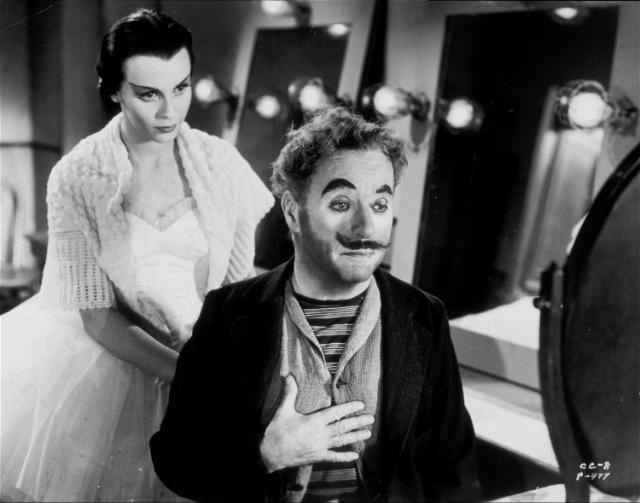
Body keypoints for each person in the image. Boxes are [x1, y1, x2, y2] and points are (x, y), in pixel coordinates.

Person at [0, 8, 273, 502]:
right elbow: (98, 317)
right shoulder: (76, 176)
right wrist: (187, 374)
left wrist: (221, 365)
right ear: (114, 91)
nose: (170, 111)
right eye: (149, 94)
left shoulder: (220, 162)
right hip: (113, 360)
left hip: (207, 351)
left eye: (181, 88)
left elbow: (239, 286)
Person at [150, 107, 480, 502]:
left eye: (379, 205)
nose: (365, 228)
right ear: (293, 212)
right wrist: (266, 453)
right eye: (341, 204)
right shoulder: (228, 312)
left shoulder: (424, 316)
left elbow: (454, 473)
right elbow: (174, 459)